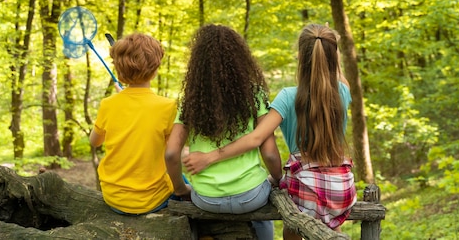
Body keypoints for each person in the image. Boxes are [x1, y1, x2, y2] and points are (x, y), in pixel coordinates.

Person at [182, 23, 357, 240]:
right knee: (331, 225)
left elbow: (256, 137)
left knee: (293, 226)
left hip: (305, 188)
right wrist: (331, 44)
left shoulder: (287, 97)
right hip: (342, 187)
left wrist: (210, 157)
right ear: (333, 57)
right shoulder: (343, 90)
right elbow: (335, 72)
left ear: (300, 58)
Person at [165, 24, 282, 240]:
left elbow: (171, 154)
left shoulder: (189, 102)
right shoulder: (254, 95)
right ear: (239, 59)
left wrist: (181, 189)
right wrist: (278, 179)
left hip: (206, 198)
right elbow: (271, 154)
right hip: (251, 196)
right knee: (262, 217)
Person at [90, 32, 188, 215]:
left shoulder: (108, 105)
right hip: (152, 200)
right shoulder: (167, 107)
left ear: (119, 69)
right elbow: (171, 152)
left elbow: (94, 142)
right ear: (155, 68)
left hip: (113, 198)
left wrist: (123, 101)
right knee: (186, 184)